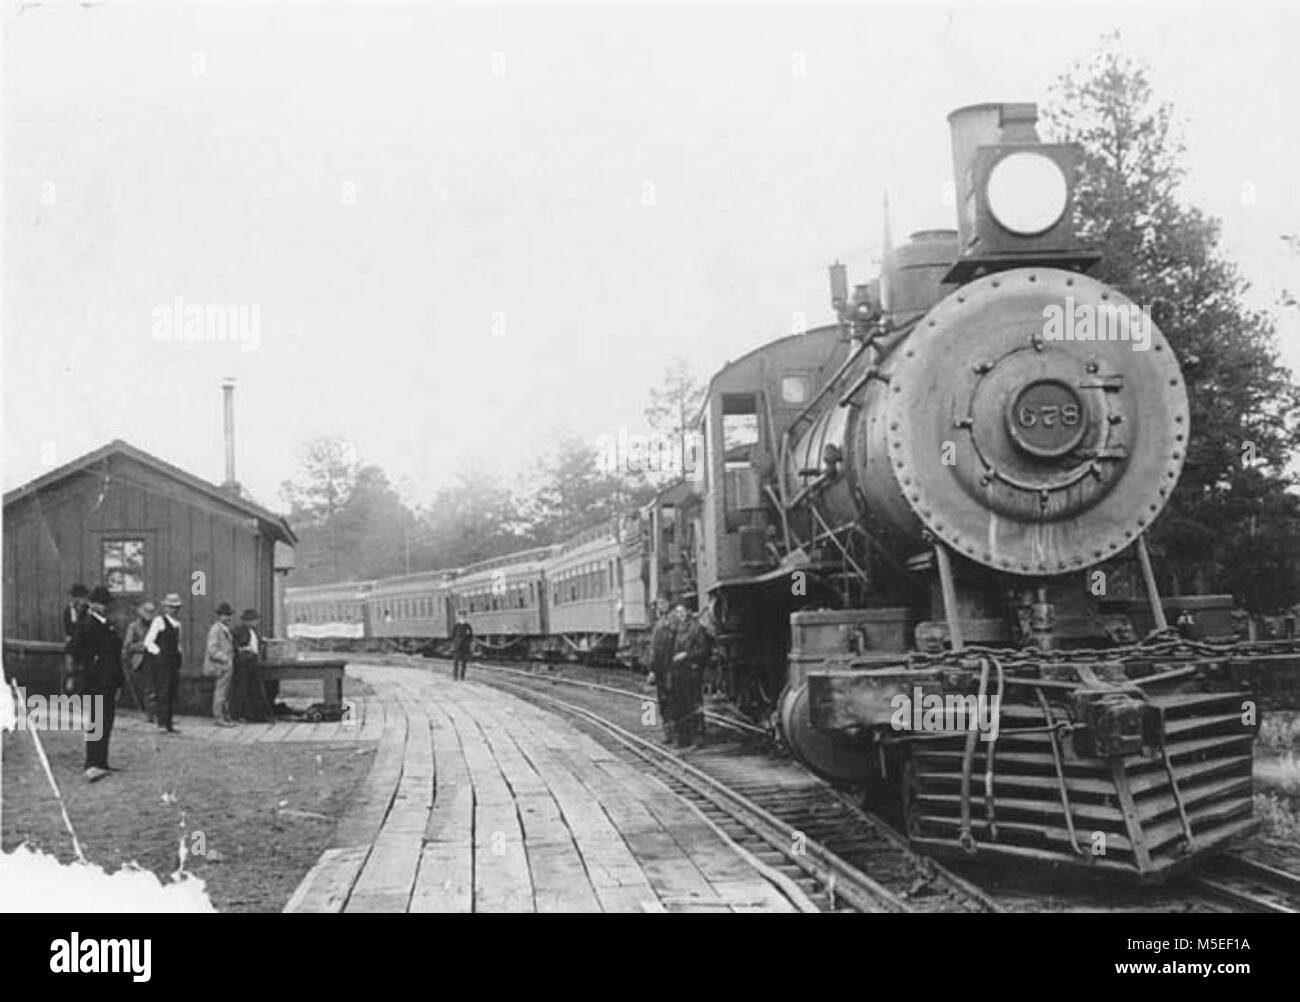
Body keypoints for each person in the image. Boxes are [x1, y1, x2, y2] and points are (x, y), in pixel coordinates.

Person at [68, 586, 124, 781]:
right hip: (95, 680)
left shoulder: (108, 625)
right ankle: (92, 763)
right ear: (92, 604)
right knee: (96, 721)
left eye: (105, 604)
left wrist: (119, 682)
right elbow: (73, 649)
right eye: (99, 603)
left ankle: (102, 762)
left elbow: (115, 656)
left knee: (106, 720)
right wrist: (87, 664)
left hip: (109, 680)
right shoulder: (86, 624)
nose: (102, 607)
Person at [668, 604, 711, 748]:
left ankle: (698, 739)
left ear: (687, 612)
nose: (680, 614)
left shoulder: (695, 628)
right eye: (677, 611)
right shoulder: (674, 629)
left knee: (694, 705)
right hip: (677, 673)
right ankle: (683, 738)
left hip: (691, 671)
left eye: (682, 611)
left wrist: (686, 655)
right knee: (679, 707)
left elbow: (704, 650)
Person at [143, 594, 184, 733]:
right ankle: (161, 724)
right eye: (171, 607)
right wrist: (159, 653)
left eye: (176, 607)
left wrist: (179, 657)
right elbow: (148, 642)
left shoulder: (178, 624)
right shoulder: (159, 621)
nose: (174, 610)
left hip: (173, 662)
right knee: (163, 691)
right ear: (165, 607)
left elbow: (178, 644)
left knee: (172, 692)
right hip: (162, 663)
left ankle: (169, 723)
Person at [647, 596, 679, 744]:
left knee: (672, 702)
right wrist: (652, 669)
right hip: (660, 668)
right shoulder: (660, 622)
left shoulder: (671, 622)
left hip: (670, 667)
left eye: (664, 603)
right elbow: (654, 649)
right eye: (659, 603)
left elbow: (665, 647)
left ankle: (675, 735)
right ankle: (668, 734)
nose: (661, 606)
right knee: (663, 702)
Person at [230, 608, 268, 722]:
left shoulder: (254, 631)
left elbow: (256, 641)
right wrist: (240, 648)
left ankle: (253, 714)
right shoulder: (238, 630)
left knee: (253, 688)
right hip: (243, 663)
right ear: (247, 621)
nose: (256, 622)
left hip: (253, 661)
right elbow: (234, 644)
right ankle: (239, 714)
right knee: (242, 688)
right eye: (254, 620)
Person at [121, 601, 157, 723]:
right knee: (148, 688)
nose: (149, 616)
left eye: (151, 613)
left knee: (155, 688)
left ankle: (154, 713)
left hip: (156, 659)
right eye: (147, 613)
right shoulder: (133, 626)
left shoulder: (156, 625)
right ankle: (150, 714)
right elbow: (128, 646)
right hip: (141, 660)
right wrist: (144, 646)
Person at [206, 601, 237, 726]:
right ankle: (219, 718)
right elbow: (212, 649)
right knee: (220, 692)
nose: (228, 618)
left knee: (225, 692)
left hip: (226, 666)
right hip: (221, 666)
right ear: (219, 616)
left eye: (229, 615)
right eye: (225, 615)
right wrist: (225, 659)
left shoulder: (224, 629)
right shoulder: (216, 630)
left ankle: (225, 717)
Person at [61, 583, 90, 696]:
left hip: (86, 639)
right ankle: (70, 677)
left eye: (82, 598)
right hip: (75, 638)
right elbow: (68, 627)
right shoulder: (69, 610)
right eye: (78, 598)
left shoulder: (88, 610)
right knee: (71, 647)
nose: (81, 600)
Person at [451, 610, 473, 680]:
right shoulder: (456, 625)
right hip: (457, 646)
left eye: (463, 616)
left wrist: (468, 643)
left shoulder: (468, 626)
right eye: (461, 616)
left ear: (465, 617)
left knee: (464, 662)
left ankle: (462, 676)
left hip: (465, 646)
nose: (462, 617)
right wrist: (455, 643)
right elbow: (453, 635)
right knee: (456, 662)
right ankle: (455, 676)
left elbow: (471, 635)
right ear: (459, 617)